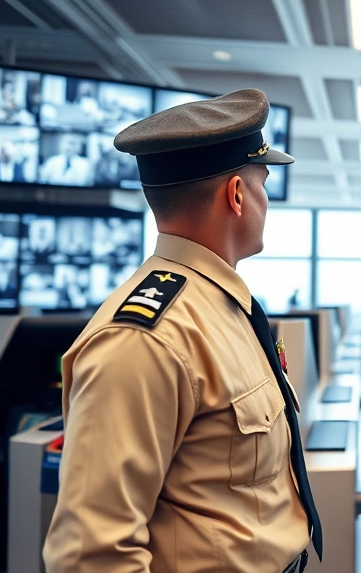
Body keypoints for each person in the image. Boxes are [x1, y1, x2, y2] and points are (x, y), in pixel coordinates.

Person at [43, 89, 321, 573]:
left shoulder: (222, 307)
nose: (266, 201)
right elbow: (92, 556)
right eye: (263, 184)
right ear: (237, 195)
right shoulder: (146, 338)